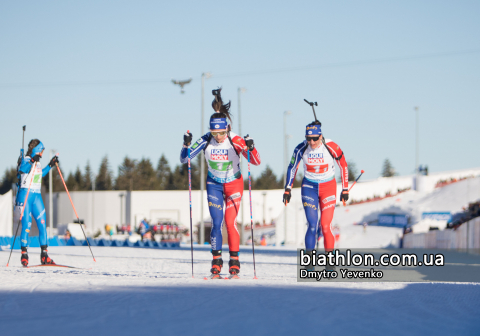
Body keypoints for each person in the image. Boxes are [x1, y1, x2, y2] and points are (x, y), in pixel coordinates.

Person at [180, 88, 261, 278]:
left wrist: (251, 147)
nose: (218, 137)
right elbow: (185, 159)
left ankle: (235, 262)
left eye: (221, 133)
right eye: (215, 133)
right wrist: (185, 144)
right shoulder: (206, 139)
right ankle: (216, 262)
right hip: (214, 184)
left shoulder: (235, 140)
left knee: (230, 222)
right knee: (216, 223)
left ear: (228, 129)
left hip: (233, 184)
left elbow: (256, 161)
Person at [283, 120, 348, 269]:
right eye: (308, 138)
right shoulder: (301, 148)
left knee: (325, 225)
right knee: (312, 225)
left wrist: (345, 189)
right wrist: (288, 189)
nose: (311, 142)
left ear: (321, 136)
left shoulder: (331, 146)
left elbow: (343, 165)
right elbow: (292, 167)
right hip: (309, 187)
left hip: (328, 187)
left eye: (315, 138)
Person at [15, 139, 58, 266]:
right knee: (27, 225)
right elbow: (23, 169)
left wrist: (50, 165)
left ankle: (44, 255)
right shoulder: (27, 159)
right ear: (37, 150)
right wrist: (33, 160)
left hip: (36, 196)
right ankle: (24, 254)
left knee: (42, 224)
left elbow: (40, 174)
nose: (43, 153)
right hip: (26, 196)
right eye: (42, 150)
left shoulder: (37, 162)